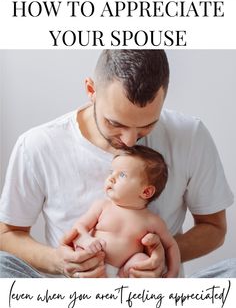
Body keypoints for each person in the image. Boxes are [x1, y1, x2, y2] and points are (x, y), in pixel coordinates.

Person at [0, 50, 234, 278]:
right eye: (115, 123)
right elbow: (8, 233)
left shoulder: (190, 135)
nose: (130, 140)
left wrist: (162, 258)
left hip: (157, 302)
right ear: (91, 90)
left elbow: (214, 227)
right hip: (71, 304)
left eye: (147, 125)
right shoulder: (37, 145)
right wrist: (59, 262)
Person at [73, 145, 180, 278]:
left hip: (125, 273)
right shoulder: (102, 206)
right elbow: (78, 227)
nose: (111, 178)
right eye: (111, 172)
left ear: (146, 192)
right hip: (95, 267)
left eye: (122, 174)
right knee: (82, 253)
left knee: (141, 259)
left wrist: (172, 272)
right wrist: (86, 240)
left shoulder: (152, 221)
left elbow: (170, 246)